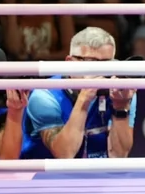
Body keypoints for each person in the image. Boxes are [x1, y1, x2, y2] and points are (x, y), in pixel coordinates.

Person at [20, 28, 137, 160]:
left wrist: (120, 107)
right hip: (47, 171)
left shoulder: (121, 93)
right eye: (92, 62)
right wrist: (84, 98)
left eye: (106, 63)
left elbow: (119, 155)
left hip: (97, 171)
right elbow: (64, 154)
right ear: (70, 63)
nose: (100, 71)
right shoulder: (44, 96)